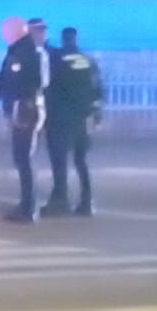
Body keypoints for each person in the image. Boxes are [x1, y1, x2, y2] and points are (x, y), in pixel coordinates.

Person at [0, 16, 50, 223]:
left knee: (24, 159)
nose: (3, 36)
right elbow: (6, 79)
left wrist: (3, 90)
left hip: (26, 110)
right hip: (21, 109)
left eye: (5, 32)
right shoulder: (17, 51)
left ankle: (28, 207)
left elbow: (28, 83)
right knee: (22, 158)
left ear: (15, 32)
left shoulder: (28, 52)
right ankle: (27, 204)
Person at [43, 26, 105, 217]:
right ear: (75, 39)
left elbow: (50, 89)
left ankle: (60, 200)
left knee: (59, 160)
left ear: (63, 39)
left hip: (62, 118)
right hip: (84, 118)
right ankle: (87, 202)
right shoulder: (88, 60)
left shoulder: (57, 59)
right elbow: (99, 90)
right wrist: (96, 114)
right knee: (81, 160)